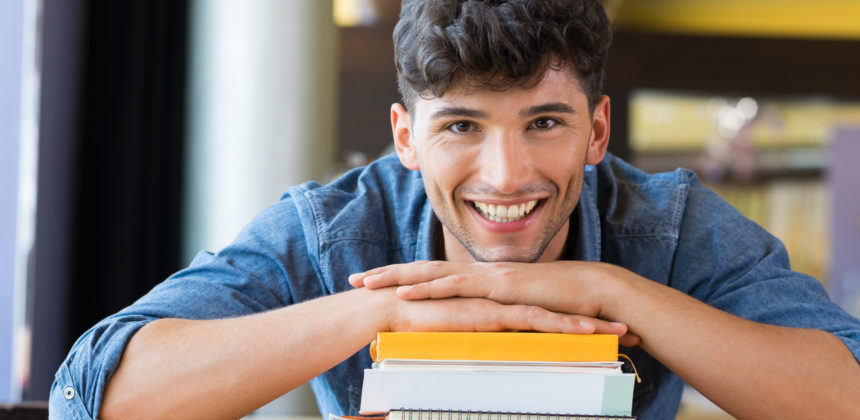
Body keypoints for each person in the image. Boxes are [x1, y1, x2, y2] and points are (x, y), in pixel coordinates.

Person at [51, 0, 860, 419]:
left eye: (544, 123)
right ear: (406, 136)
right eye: (462, 126)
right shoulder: (338, 228)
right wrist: (390, 314)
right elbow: (94, 398)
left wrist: (613, 293)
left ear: (598, 129)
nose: (505, 175)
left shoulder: (669, 226)